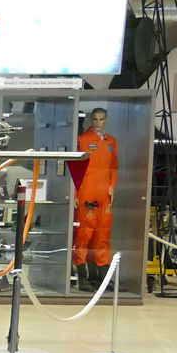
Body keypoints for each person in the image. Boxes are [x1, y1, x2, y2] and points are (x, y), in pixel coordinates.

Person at [71, 107, 118, 289]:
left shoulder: (111, 141)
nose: (98, 122)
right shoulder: (82, 140)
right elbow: (74, 168)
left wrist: (112, 187)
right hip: (86, 193)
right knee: (83, 235)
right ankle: (83, 277)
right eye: (95, 119)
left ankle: (102, 278)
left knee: (103, 236)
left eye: (102, 119)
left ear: (106, 120)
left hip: (105, 196)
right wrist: (76, 193)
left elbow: (113, 167)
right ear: (91, 120)